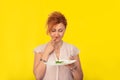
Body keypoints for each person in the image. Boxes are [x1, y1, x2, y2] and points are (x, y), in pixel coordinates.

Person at [33, 11, 83, 80]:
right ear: (49, 30)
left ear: (65, 30)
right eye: (53, 30)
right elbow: (38, 77)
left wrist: (73, 67)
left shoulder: (72, 49)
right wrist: (46, 53)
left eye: (60, 31)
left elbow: (80, 78)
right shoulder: (39, 50)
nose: (56, 35)